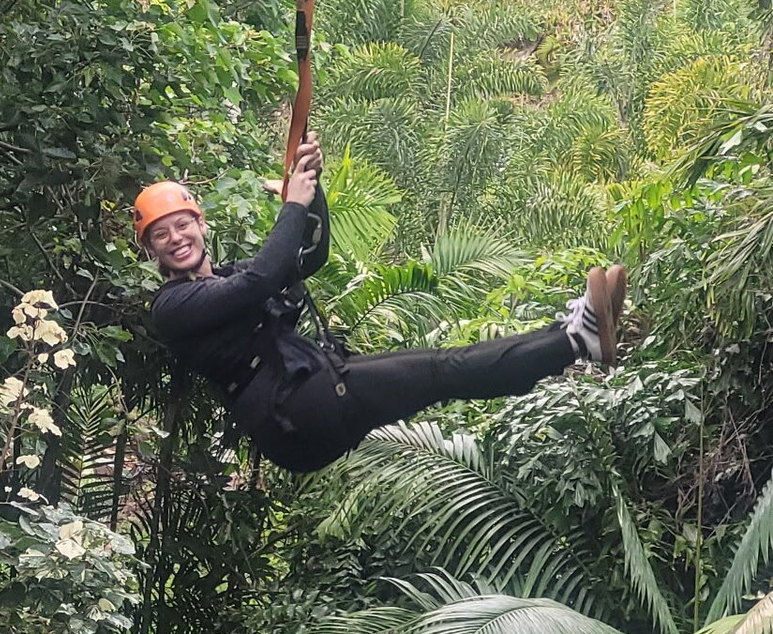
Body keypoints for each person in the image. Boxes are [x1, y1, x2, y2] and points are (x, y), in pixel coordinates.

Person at [136, 135, 626, 473]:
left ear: (201, 226)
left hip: (314, 394)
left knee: (447, 371)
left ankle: (571, 338)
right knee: (443, 369)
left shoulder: (229, 274)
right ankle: (575, 342)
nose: (176, 238)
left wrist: (311, 190)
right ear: (152, 251)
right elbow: (264, 277)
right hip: (296, 415)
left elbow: (308, 255)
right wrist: (292, 204)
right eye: (162, 235)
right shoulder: (173, 307)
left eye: (183, 225)